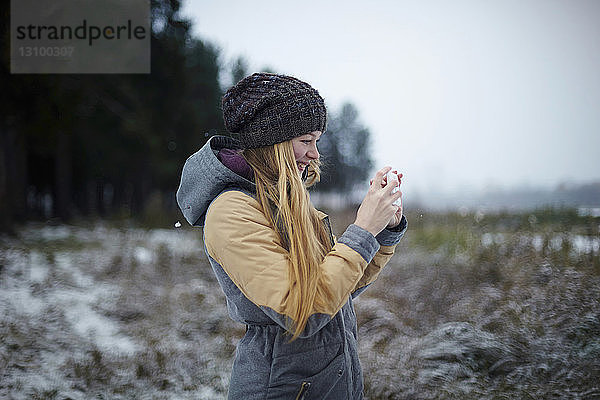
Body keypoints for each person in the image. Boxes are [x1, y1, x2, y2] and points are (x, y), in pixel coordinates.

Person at [176, 72, 407, 399]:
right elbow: (305, 310)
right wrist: (363, 229)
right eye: (305, 140)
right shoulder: (232, 212)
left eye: (317, 140)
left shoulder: (292, 203)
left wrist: (382, 233)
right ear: (274, 140)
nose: (315, 153)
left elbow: (335, 292)